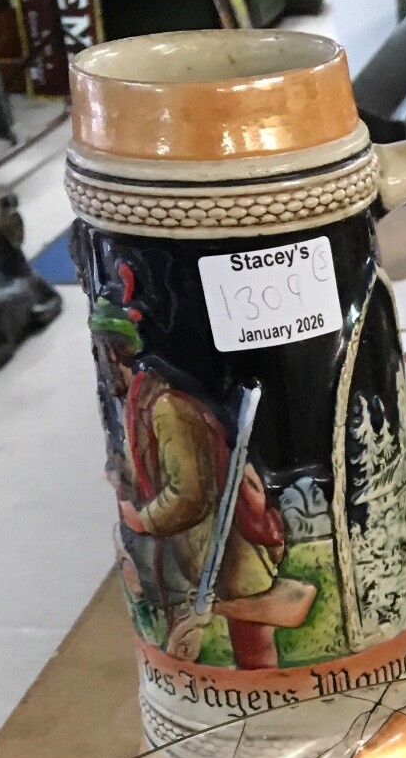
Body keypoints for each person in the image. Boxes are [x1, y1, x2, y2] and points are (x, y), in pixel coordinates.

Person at [87, 281, 315, 667]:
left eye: (103, 350)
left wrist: (142, 519)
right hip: (201, 552)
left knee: (253, 645)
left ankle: (272, 706)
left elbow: (188, 495)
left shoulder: (166, 408)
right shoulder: (139, 409)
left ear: (114, 352)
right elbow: (147, 470)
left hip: (229, 551)